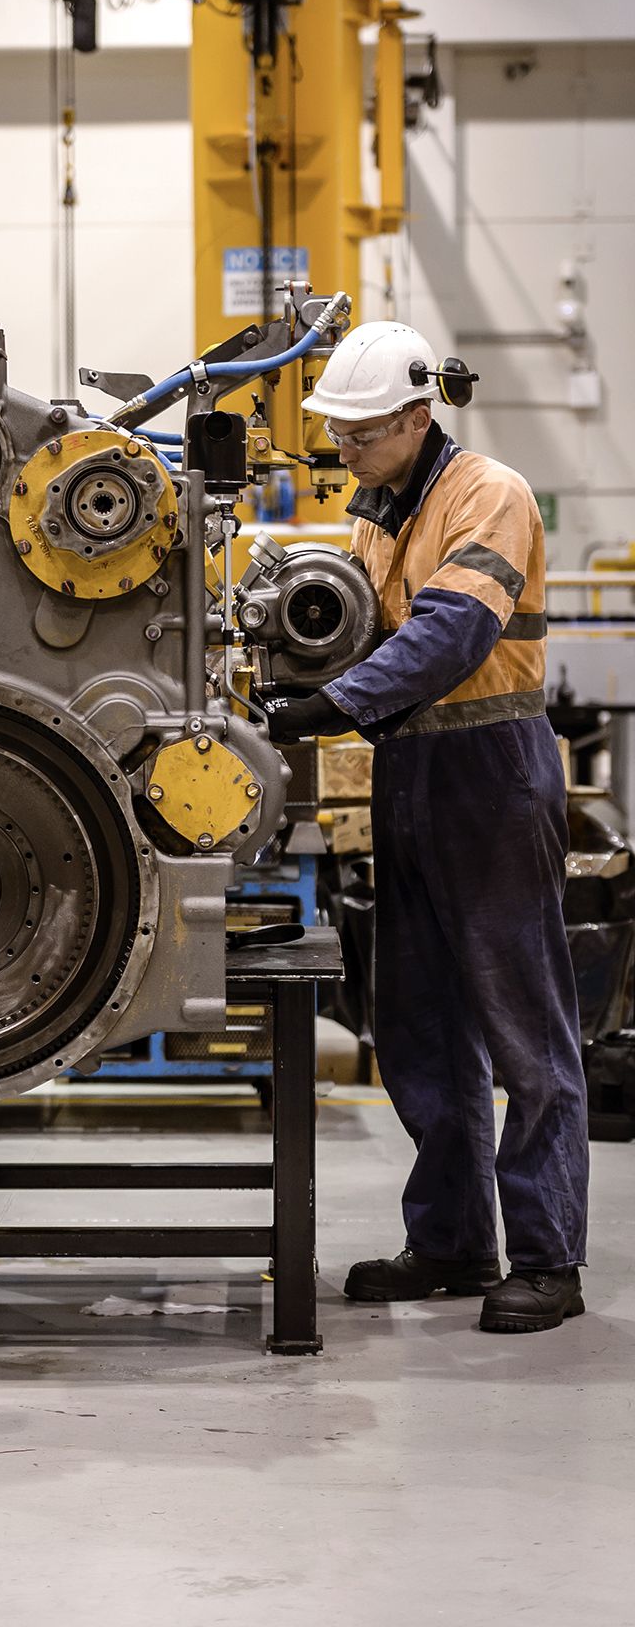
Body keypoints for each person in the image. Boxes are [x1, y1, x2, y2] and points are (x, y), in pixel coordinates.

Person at [263, 320, 589, 1333]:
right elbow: (361, 629)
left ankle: (549, 1260)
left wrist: (329, 707)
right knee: (419, 1027)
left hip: (492, 776)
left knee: (523, 1028)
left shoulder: (489, 493)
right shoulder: (379, 517)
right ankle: (451, 1241)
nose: (344, 448)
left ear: (416, 416)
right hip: (409, 772)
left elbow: (454, 632)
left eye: (360, 433)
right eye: (339, 433)